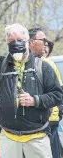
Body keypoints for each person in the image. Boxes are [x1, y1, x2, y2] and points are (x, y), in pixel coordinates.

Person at [0, 12, 63, 158]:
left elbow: (58, 96)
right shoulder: (1, 65)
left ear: (28, 42)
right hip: (9, 137)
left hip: (37, 137)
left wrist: (35, 100)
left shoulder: (43, 66)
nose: (16, 43)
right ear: (7, 43)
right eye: (11, 40)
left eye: (20, 39)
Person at [28, 27, 63, 158]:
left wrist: (59, 112)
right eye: (42, 40)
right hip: (37, 122)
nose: (45, 44)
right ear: (31, 42)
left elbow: (59, 91)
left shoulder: (48, 64)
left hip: (49, 120)